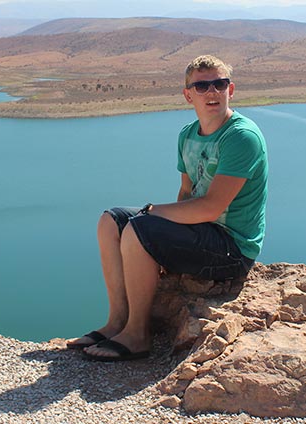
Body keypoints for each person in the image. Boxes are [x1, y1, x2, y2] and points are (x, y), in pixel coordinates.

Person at [68, 55, 268, 361]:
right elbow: (187, 193)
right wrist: (166, 241)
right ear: (188, 94)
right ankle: (117, 322)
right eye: (202, 86)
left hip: (232, 248)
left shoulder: (241, 137)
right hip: (202, 234)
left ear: (231, 89)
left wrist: (153, 221)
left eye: (219, 84)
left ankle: (137, 336)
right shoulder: (188, 135)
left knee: (140, 227)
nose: (211, 92)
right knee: (111, 221)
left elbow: (211, 208)